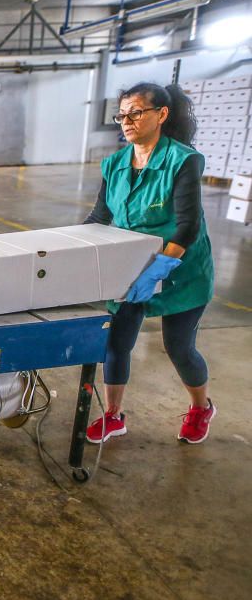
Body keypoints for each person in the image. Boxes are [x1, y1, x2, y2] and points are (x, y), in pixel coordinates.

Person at [84, 82, 215, 445]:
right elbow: (99, 217)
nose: (127, 121)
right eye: (122, 115)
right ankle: (113, 416)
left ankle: (201, 407)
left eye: (136, 112)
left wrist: (160, 268)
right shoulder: (114, 165)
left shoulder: (182, 160)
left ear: (161, 115)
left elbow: (188, 225)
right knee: (116, 343)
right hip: (129, 269)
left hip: (180, 271)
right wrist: (70, 249)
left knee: (179, 347)